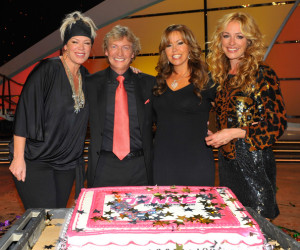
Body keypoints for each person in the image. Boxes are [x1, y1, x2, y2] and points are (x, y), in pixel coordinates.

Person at [9, 11, 97, 209]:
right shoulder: (47, 70)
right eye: (75, 42)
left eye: (86, 43)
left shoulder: (86, 76)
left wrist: (129, 72)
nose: (81, 48)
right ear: (65, 45)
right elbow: (24, 112)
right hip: (37, 161)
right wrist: (18, 158)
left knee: (55, 219)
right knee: (43, 219)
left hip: (66, 164)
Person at [205, 12, 287, 219]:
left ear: (249, 41)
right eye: (226, 35)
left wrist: (234, 133)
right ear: (219, 40)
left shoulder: (262, 73)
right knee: (235, 222)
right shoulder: (220, 76)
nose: (232, 42)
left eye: (239, 36)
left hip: (254, 162)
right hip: (227, 164)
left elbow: (277, 124)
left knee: (259, 227)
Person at [86, 25, 156, 187]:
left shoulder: (149, 83)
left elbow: (166, 118)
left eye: (126, 48)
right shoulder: (90, 83)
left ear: (133, 53)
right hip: (103, 168)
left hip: (141, 169)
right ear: (106, 51)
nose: (119, 53)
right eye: (114, 47)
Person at [152, 24, 216, 186]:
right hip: (163, 162)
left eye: (180, 43)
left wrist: (216, 129)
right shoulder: (157, 82)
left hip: (196, 163)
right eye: (169, 45)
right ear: (164, 51)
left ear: (190, 46)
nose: (174, 50)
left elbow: (227, 110)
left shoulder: (206, 80)